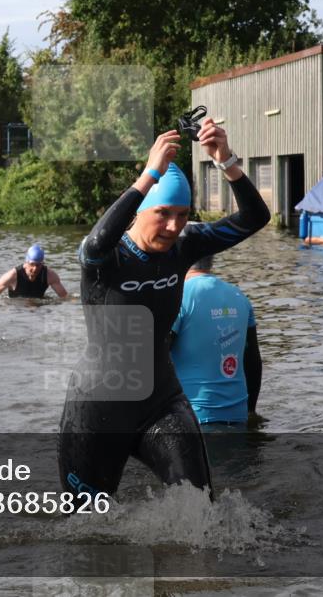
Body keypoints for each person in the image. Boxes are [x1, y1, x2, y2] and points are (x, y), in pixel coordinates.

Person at [57, 119, 270, 499]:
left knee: (201, 508)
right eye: (164, 213)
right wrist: (149, 175)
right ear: (140, 211)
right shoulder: (107, 257)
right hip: (99, 407)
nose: (174, 226)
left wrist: (226, 161)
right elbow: (93, 242)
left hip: (161, 401)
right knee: (86, 524)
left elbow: (256, 219)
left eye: (183, 214)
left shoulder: (185, 246)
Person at [170, 255, 264, 429]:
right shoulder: (239, 296)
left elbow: (154, 357)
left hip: (192, 419)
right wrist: (250, 411)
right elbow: (253, 361)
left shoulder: (178, 296)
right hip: (237, 416)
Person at [0, 244, 67, 299]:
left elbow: (65, 297)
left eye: (38, 265)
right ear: (26, 262)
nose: (35, 268)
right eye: (32, 264)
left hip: (39, 310)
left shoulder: (50, 276)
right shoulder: (12, 276)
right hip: (17, 311)